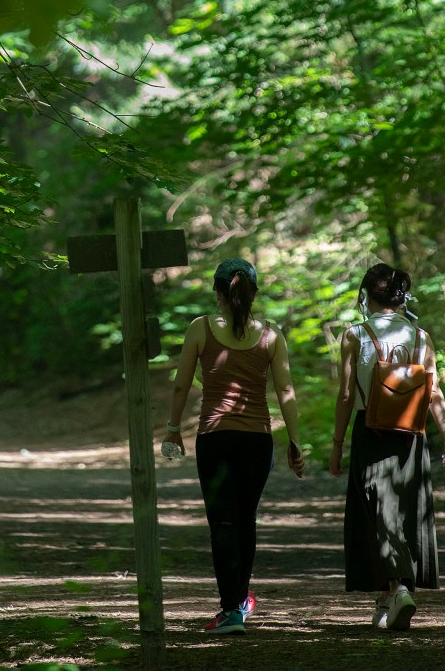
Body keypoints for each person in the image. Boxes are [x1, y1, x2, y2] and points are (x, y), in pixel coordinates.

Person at [164, 257, 305, 635]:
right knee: (245, 520)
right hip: (258, 440)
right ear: (253, 294)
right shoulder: (271, 335)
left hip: (215, 439)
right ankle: (239, 602)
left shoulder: (200, 329)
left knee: (222, 522)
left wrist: (173, 428)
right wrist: (294, 440)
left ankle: (231, 610)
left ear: (217, 292)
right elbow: (285, 390)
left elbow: (181, 385)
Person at [329, 262, 445, 631]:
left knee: (378, 512)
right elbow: (434, 393)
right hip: (413, 435)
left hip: (370, 432)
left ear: (366, 296)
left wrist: (337, 444)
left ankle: (398, 587)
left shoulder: (355, 335)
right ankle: (390, 597)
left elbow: (345, 396)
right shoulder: (421, 336)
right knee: (403, 510)